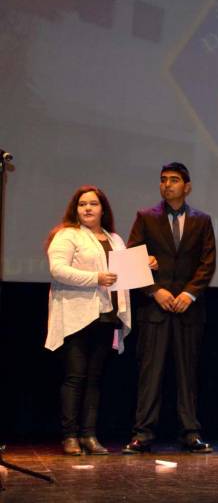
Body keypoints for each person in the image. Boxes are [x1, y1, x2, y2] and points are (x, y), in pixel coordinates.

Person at [122, 162, 216, 454]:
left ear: (187, 186)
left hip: (188, 310)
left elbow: (207, 262)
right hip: (155, 309)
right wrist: (154, 291)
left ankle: (190, 432)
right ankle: (143, 434)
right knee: (151, 373)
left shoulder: (202, 220)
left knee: (187, 374)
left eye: (174, 180)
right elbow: (131, 259)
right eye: (163, 180)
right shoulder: (146, 217)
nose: (167, 185)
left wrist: (189, 293)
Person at [46, 185, 132, 455]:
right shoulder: (67, 235)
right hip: (77, 315)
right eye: (82, 204)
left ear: (102, 208)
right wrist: (95, 278)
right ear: (75, 208)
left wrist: (144, 266)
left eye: (93, 204)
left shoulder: (115, 239)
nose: (87, 208)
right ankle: (70, 436)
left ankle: (89, 435)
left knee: (94, 379)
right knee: (75, 377)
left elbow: (124, 274)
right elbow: (57, 269)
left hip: (106, 315)